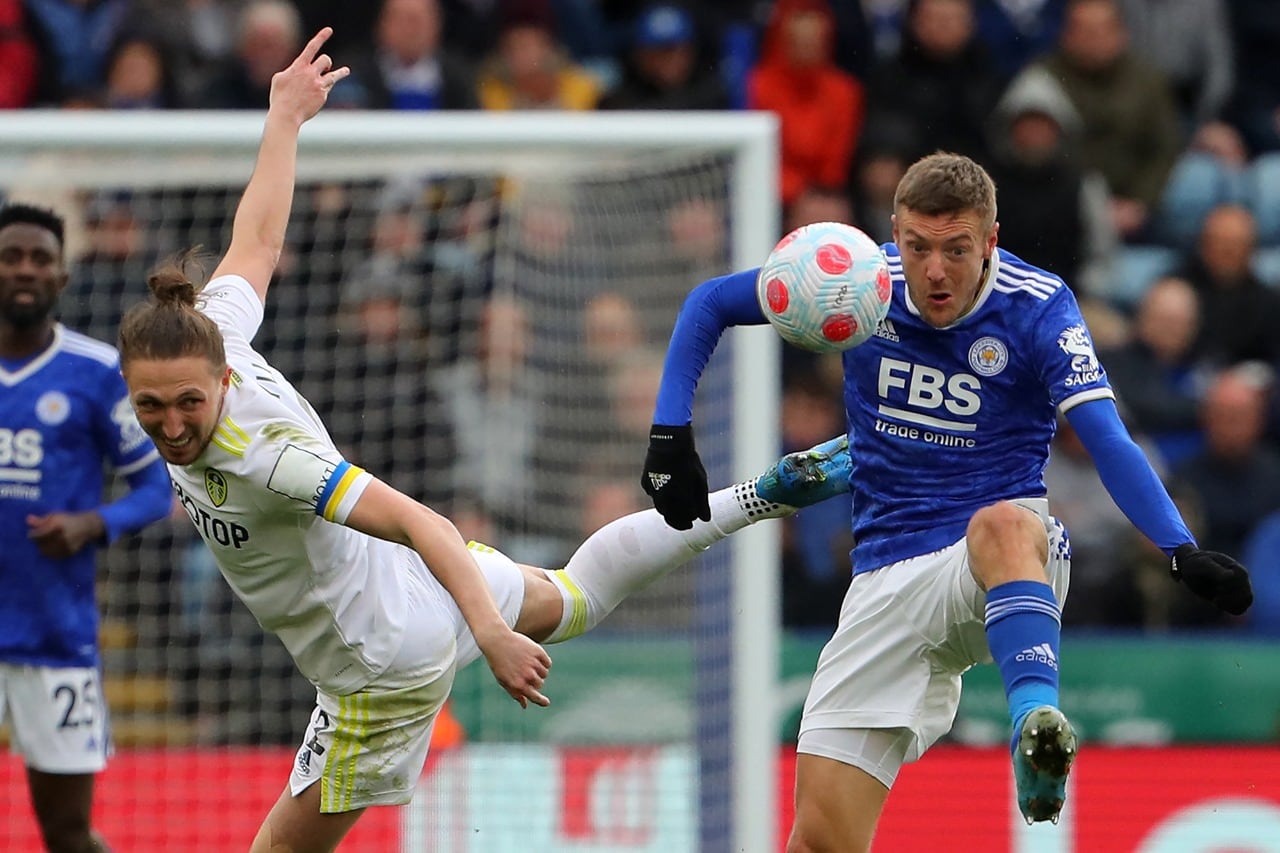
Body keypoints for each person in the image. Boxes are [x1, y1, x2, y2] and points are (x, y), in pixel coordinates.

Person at [114, 28, 853, 852]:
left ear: (220, 383)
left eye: (187, 403)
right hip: (416, 588)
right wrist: (284, 119)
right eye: (151, 408)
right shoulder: (212, 330)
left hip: (377, 663)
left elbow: (420, 520)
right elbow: (257, 242)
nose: (172, 424)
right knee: (574, 598)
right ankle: (761, 493)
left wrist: (493, 638)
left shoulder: (266, 456)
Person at [638, 151, 1254, 849]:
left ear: (989, 240)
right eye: (918, 247)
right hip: (884, 580)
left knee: (1000, 521)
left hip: (999, 561)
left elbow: (1106, 437)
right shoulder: (857, 279)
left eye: (956, 250)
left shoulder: (1037, 305)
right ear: (895, 233)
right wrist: (669, 433)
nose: (934, 270)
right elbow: (710, 303)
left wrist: (1179, 546)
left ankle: (1035, 723)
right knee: (816, 840)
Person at [0, 202, 173, 853]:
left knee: (68, 832)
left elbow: (157, 487)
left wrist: (91, 522)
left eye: (39, 258)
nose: (24, 269)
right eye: (11, 256)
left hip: (55, 635)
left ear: (63, 276)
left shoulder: (97, 373)